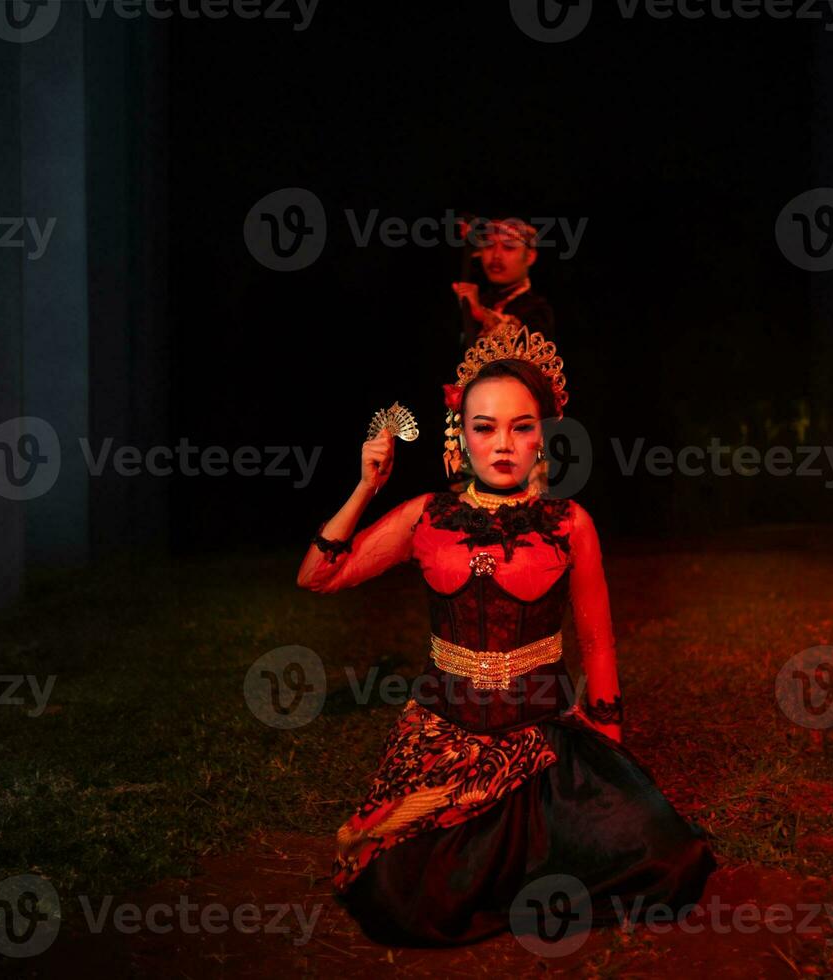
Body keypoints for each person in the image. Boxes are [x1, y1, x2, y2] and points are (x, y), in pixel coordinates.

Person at [296, 327, 714, 946]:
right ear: (458, 432)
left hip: (544, 739)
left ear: (544, 433)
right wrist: (367, 486)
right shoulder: (425, 516)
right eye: (484, 426)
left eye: (521, 427)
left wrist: (612, 757)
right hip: (445, 738)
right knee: (402, 901)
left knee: (668, 861)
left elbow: (598, 645)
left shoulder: (570, 523)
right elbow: (318, 575)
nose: (502, 444)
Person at [451, 217, 556, 348]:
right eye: (489, 245)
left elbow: (525, 343)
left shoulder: (539, 310)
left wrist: (482, 315)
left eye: (508, 247)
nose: (496, 255)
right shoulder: (479, 300)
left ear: (529, 256)